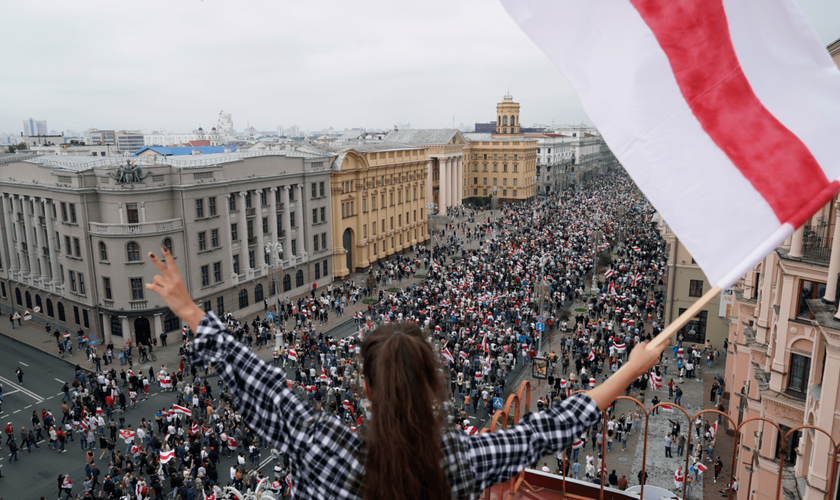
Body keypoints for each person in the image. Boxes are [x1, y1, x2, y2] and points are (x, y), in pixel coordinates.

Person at [143, 246, 669, 499]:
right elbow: (551, 428)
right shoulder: (459, 459)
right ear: (433, 384)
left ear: (366, 387)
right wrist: (630, 368)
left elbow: (261, 383)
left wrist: (191, 312)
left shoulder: (319, 443)